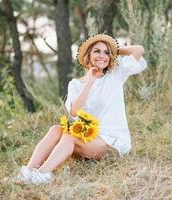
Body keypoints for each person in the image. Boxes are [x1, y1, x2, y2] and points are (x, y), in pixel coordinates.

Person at [16, 34, 147, 184]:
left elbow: (138, 50)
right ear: (88, 56)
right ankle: (27, 172)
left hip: (112, 142)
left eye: (106, 52)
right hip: (87, 140)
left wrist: (115, 50)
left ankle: (42, 175)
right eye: (97, 51)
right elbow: (74, 111)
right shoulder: (75, 84)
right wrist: (90, 81)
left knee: (69, 136)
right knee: (55, 129)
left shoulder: (115, 75)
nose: (102, 56)